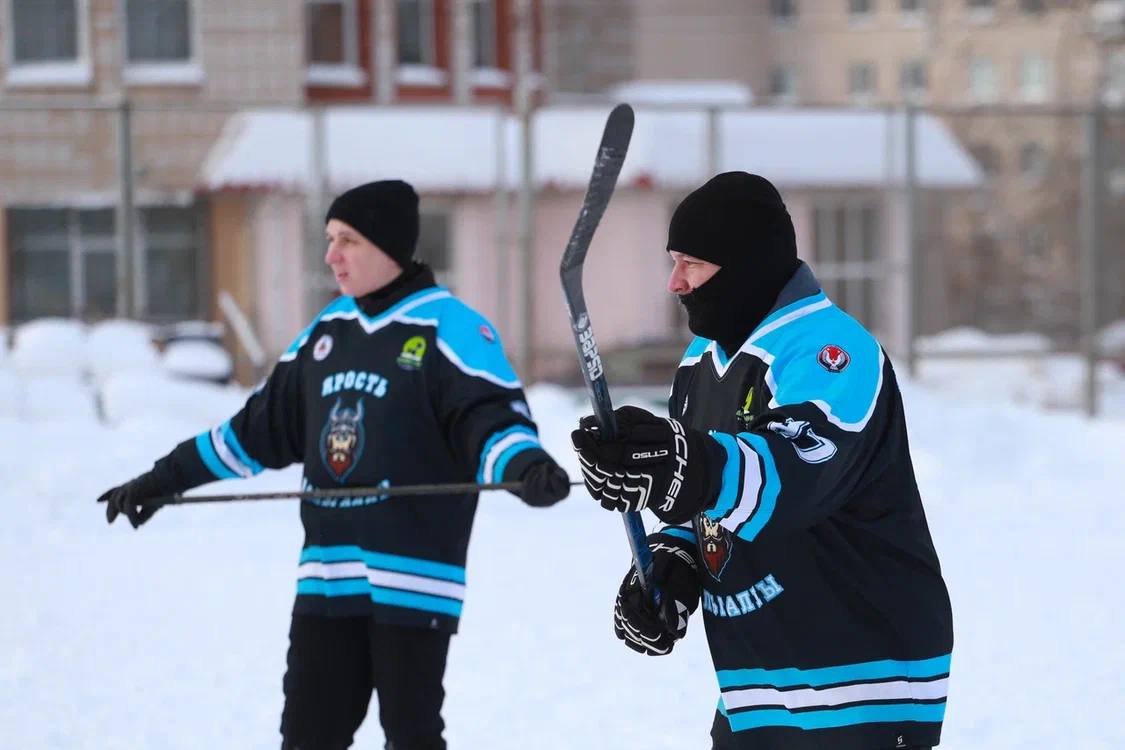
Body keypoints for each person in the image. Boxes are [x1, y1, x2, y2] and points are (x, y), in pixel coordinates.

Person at [98, 179, 571, 750]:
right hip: (326, 578)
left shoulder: (451, 328)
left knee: (411, 737)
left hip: (413, 580)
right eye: (328, 240)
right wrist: (164, 480)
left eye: (347, 240)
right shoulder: (323, 336)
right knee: (306, 737)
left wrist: (524, 466)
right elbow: (252, 435)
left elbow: (488, 420)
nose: (331, 256)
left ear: (389, 246)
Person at [570, 172, 953, 750]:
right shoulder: (703, 359)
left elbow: (790, 476)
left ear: (746, 265)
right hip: (759, 685)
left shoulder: (832, 350)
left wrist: (679, 465)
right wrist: (671, 565)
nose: (675, 283)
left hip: (863, 675)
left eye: (692, 264)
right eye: (673, 261)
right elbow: (707, 505)